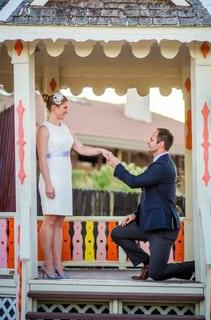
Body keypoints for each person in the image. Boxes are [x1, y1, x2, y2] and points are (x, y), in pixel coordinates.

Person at [37, 91, 110, 279]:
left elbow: (81, 148)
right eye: (65, 108)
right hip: (50, 176)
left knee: (59, 222)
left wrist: (101, 150)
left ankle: (58, 265)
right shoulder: (44, 129)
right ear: (54, 108)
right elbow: (42, 159)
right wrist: (47, 183)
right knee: (49, 220)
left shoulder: (66, 128)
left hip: (64, 177)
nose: (67, 111)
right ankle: (47, 263)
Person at [107, 128, 194, 281]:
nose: (148, 141)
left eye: (151, 139)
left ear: (161, 144)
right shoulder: (157, 164)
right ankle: (147, 262)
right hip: (148, 223)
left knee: (157, 274)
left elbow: (134, 182)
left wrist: (117, 165)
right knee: (117, 233)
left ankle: (192, 267)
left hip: (162, 228)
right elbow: (152, 197)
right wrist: (135, 214)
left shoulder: (163, 165)